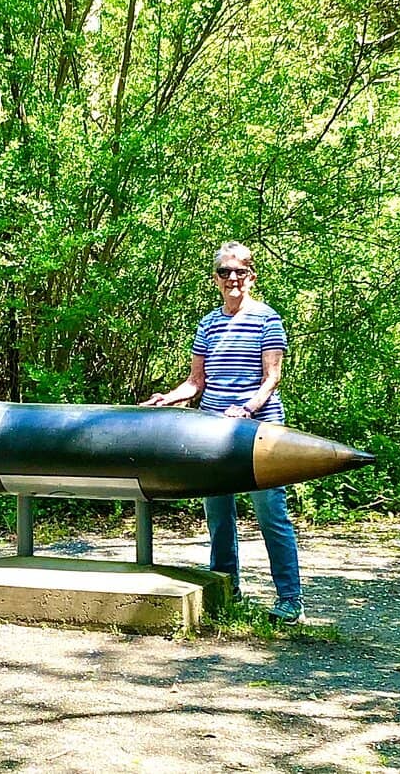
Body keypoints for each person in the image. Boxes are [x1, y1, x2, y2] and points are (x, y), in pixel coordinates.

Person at [140, 241, 304, 624]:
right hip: (212, 433)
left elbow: (272, 379)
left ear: (252, 276)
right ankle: (226, 588)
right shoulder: (209, 323)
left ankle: (289, 599)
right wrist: (170, 398)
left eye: (240, 271)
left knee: (270, 512)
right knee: (218, 513)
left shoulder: (267, 319)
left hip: (260, 431)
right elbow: (196, 382)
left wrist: (246, 408)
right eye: (225, 272)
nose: (233, 278)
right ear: (215, 278)